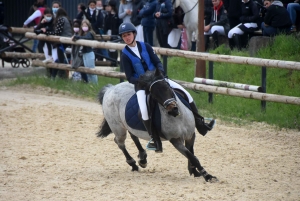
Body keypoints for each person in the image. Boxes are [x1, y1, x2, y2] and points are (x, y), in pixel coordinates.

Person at [119, 22, 216, 152]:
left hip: (159, 80)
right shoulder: (125, 54)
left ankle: (200, 122)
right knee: (143, 110)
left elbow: (157, 62)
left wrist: (160, 73)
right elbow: (130, 77)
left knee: (185, 93)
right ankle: (154, 138)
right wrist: (142, 81)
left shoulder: (145, 46)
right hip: (142, 86)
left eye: (128, 34)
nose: (127, 37)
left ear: (134, 34)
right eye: (124, 36)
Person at [43, 7, 72, 79]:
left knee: (60, 60)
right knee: (59, 59)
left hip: (63, 41)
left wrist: (47, 32)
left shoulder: (61, 19)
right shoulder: (67, 19)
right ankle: (54, 76)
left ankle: (59, 76)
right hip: (68, 40)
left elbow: (57, 32)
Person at [72, 19, 98, 84]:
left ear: (88, 26)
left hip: (89, 53)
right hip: (84, 53)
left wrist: (77, 37)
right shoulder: (82, 33)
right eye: (83, 25)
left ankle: (95, 84)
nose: (84, 27)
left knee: (91, 70)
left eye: (85, 25)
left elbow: (87, 38)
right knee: (87, 71)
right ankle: (90, 83)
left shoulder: (90, 33)